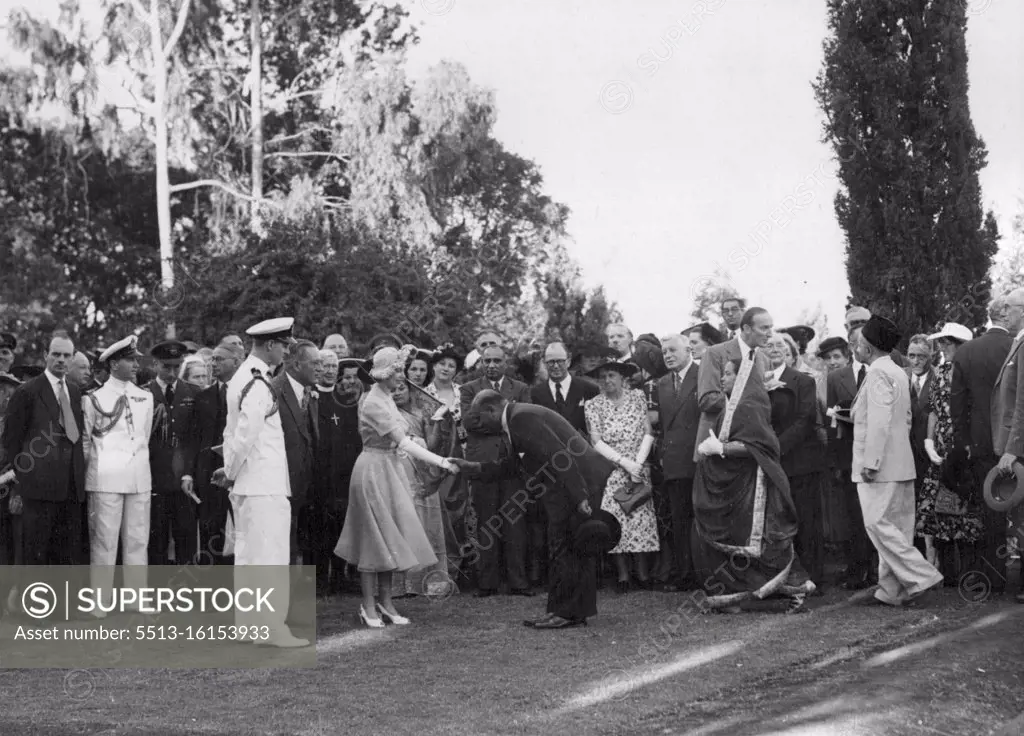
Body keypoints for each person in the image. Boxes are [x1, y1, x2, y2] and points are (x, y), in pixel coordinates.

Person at [454, 391, 616, 629]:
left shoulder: (520, 418)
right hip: (576, 481)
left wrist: (580, 496)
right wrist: (474, 468)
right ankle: (569, 611)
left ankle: (565, 613)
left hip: (576, 483)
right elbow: (514, 466)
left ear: (491, 410)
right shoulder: (518, 415)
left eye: (479, 418)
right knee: (574, 547)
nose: (479, 425)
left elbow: (559, 456)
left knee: (565, 546)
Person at [334, 345, 456, 628]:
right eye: (398, 370)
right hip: (372, 470)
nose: (402, 376)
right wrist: (442, 462)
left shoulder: (387, 397)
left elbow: (406, 440)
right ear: (384, 373)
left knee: (391, 537)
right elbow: (403, 441)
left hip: (390, 468)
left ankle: (386, 602)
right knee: (372, 539)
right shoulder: (373, 401)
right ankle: (368, 605)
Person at [692, 358, 813, 613]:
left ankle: (796, 588)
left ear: (742, 377)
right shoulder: (732, 406)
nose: (722, 379)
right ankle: (737, 596)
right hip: (735, 484)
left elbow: (762, 446)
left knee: (767, 541)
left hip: (755, 485)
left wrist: (721, 448)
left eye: (727, 374)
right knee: (740, 540)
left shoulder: (750, 405)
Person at [216, 317, 309, 647]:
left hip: (250, 482)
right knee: (269, 556)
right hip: (262, 482)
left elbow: (234, 434)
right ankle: (271, 629)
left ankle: (249, 626)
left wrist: (230, 470)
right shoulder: (256, 381)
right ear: (270, 345)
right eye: (284, 345)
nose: (286, 351)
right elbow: (245, 434)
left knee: (249, 558)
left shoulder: (246, 377)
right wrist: (230, 471)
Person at [852, 316, 943, 607]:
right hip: (901, 462)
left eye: (858, 343)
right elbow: (902, 418)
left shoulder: (878, 372)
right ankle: (892, 590)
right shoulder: (897, 372)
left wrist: (872, 461)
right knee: (897, 528)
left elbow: (880, 421)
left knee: (878, 524)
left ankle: (921, 576)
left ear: (866, 347)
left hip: (881, 466)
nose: (856, 347)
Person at [82, 337, 154, 615]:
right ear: (113, 363)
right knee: (104, 539)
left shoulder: (144, 396)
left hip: (138, 477)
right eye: (130, 359)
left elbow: (143, 437)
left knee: (138, 539)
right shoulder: (94, 399)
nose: (136, 364)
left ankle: (137, 597)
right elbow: (87, 443)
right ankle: (100, 600)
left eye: (136, 359)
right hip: (105, 479)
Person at [951, 292, 1017, 596]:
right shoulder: (1014, 345)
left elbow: (957, 404)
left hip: (979, 444)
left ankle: (995, 576)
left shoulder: (966, 352)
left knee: (991, 511)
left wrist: (964, 442)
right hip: (1016, 441)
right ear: (1006, 315)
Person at [1, 334, 87, 567]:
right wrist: (24, 483)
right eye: (56, 354)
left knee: (65, 557)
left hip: (71, 490)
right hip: (38, 492)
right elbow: (12, 442)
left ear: (72, 359)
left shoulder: (75, 391)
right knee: (37, 557)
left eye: (66, 355)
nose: (61, 360)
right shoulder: (27, 392)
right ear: (45, 356)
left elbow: (75, 439)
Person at [460, 344, 533, 597]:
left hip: (513, 465)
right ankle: (487, 582)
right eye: (487, 360)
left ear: (506, 363)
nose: (491, 365)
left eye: (496, 361)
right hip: (483, 464)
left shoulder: (521, 389)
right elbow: (470, 423)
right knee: (485, 522)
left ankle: (518, 582)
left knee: (515, 523)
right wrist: (504, 421)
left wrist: (494, 420)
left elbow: (524, 423)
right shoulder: (469, 389)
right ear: (481, 363)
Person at [585, 357, 659, 592]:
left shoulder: (637, 397)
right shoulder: (593, 405)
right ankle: (623, 575)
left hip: (638, 468)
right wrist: (625, 463)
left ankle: (643, 573)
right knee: (616, 520)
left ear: (623, 378)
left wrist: (638, 464)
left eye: (612, 375)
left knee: (639, 518)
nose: (607, 380)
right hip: (613, 469)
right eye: (603, 376)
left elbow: (648, 430)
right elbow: (595, 441)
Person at [916, 325, 982, 580]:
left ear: (959, 344)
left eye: (946, 343)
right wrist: (929, 442)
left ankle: (969, 570)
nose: (942, 348)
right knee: (939, 508)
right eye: (941, 343)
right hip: (941, 445)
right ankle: (949, 573)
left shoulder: (972, 372)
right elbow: (933, 410)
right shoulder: (940, 372)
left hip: (964, 444)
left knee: (965, 505)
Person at [765, 333, 828, 588]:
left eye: (780, 345)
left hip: (799, 462)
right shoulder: (756, 382)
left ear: (791, 351)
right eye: (768, 345)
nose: (774, 349)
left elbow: (804, 421)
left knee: (806, 521)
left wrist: (775, 449)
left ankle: (814, 576)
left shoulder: (802, 380)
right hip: (770, 463)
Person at [825, 326, 875, 589]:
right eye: (856, 341)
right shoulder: (837, 378)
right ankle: (857, 570)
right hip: (848, 456)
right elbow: (831, 423)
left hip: (877, 455)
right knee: (854, 516)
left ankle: (878, 570)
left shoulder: (881, 371)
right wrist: (835, 462)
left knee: (876, 514)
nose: (860, 345)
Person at [390, 378, 450, 597]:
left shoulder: (420, 413)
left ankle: (425, 583)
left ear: (409, 390)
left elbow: (432, 446)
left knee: (425, 524)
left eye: (401, 388)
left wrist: (435, 421)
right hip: (396, 473)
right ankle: (398, 585)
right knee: (400, 524)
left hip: (422, 475)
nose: (397, 392)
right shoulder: (385, 415)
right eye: (393, 389)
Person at [146, 340, 200, 566]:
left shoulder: (194, 393)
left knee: (185, 541)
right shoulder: (144, 394)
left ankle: (184, 595)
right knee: (156, 542)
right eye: (166, 367)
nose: (171, 372)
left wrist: (189, 472)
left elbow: (195, 440)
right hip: (154, 480)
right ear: (155, 364)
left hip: (184, 483)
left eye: (176, 367)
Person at [655, 334, 701, 591]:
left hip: (698, 459)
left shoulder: (704, 374)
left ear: (689, 349)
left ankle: (704, 573)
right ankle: (684, 575)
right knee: (679, 521)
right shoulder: (661, 383)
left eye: (673, 350)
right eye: (664, 352)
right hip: (673, 462)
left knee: (701, 519)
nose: (668, 355)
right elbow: (662, 424)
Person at [314, 357, 364, 595]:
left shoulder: (346, 400)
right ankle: (320, 579)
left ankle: (340, 576)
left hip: (343, 474)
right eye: (324, 365)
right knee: (317, 528)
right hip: (317, 475)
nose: (329, 370)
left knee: (341, 525)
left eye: (334, 367)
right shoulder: (309, 397)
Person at [696, 307, 773, 458]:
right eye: (764, 328)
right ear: (746, 328)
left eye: (771, 328)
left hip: (750, 448)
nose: (770, 334)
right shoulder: (715, 353)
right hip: (716, 444)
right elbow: (707, 400)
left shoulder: (765, 360)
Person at [191, 341, 241, 565]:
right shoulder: (203, 397)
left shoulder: (245, 393)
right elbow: (196, 438)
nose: (214, 364)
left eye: (219, 359)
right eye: (212, 359)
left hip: (240, 473)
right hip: (210, 475)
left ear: (237, 362)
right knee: (211, 532)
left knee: (241, 531)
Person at [272, 340, 321, 566]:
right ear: (297, 365)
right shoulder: (273, 389)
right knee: (282, 545)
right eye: (315, 363)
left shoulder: (308, 391)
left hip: (305, 484)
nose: (320, 368)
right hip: (281, 484)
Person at [990, 287, 1024, 603]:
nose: (1004, 314)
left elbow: (1023, 400)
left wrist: (1013, 446)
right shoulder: (1018, 342)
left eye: (1009, 309)